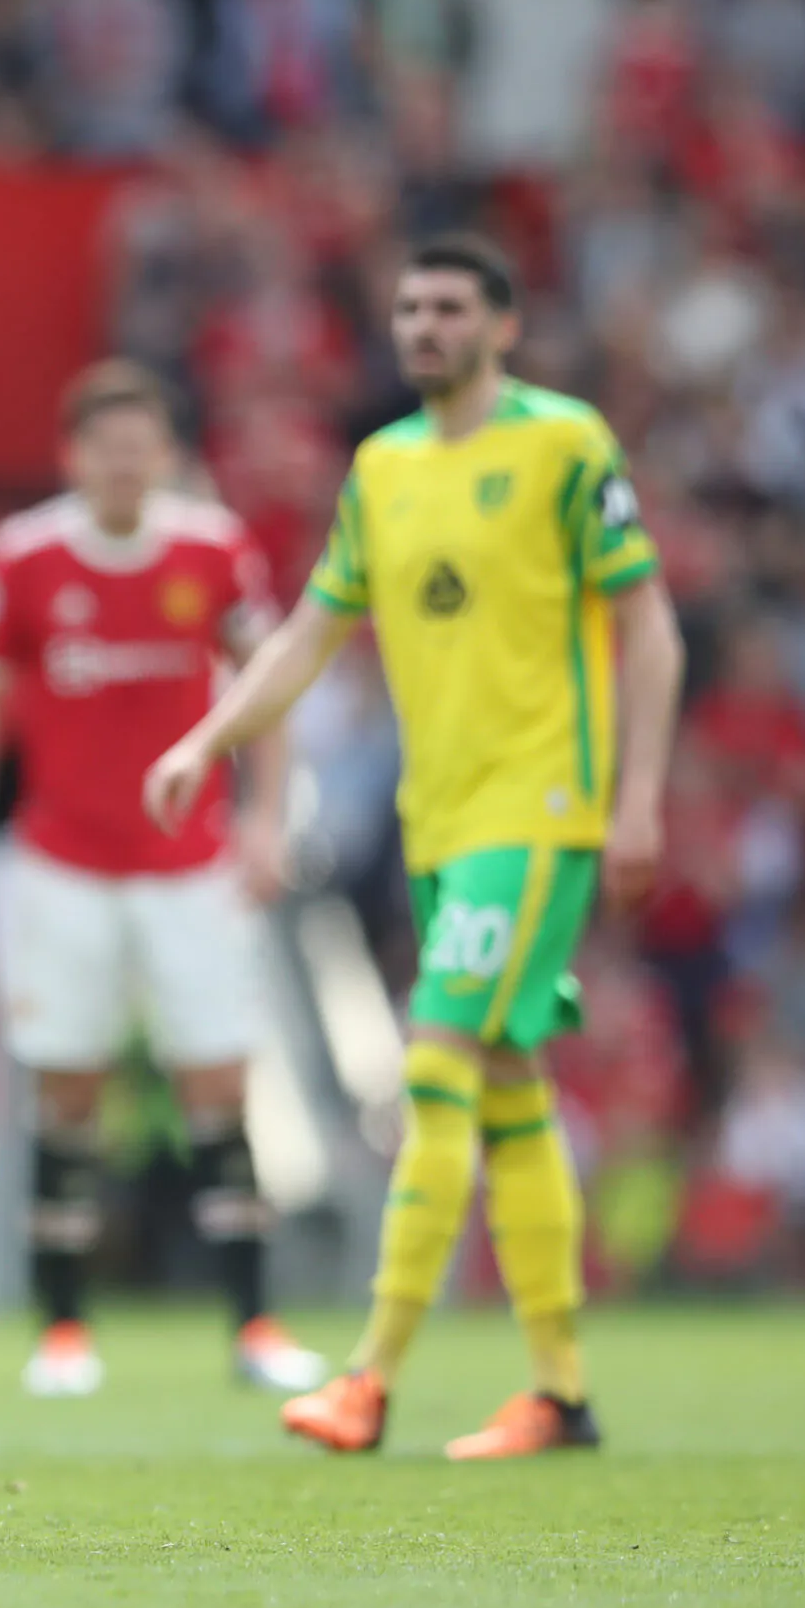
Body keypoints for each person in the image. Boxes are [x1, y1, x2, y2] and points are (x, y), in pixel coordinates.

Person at [145, 232, 685, 1460]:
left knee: (433, 1064)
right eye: (407, 309)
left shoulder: (564, 445)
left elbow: (647, 628)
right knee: (504, 1089)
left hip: (539, 807)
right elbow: (304, 637)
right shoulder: (382, 469)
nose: (423, 328)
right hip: (437, 823)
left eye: (447, 308)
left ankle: (369, 1376)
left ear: (501, 325)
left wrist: (638, 793)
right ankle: (558, 1390)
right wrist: (204, 740)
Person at [0, 360, 324, 1399]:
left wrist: (265, 818)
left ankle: (253, 1325)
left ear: (163, 453)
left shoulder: (211, 547)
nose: (120, 463)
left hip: (188, 863)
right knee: (68, 1091)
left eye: (137, 444)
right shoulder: (24, 555)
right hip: (62, 864)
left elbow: (270, 683)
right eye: (102, 446)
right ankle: (63, 1331)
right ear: (74, 456)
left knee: (218, 1084)